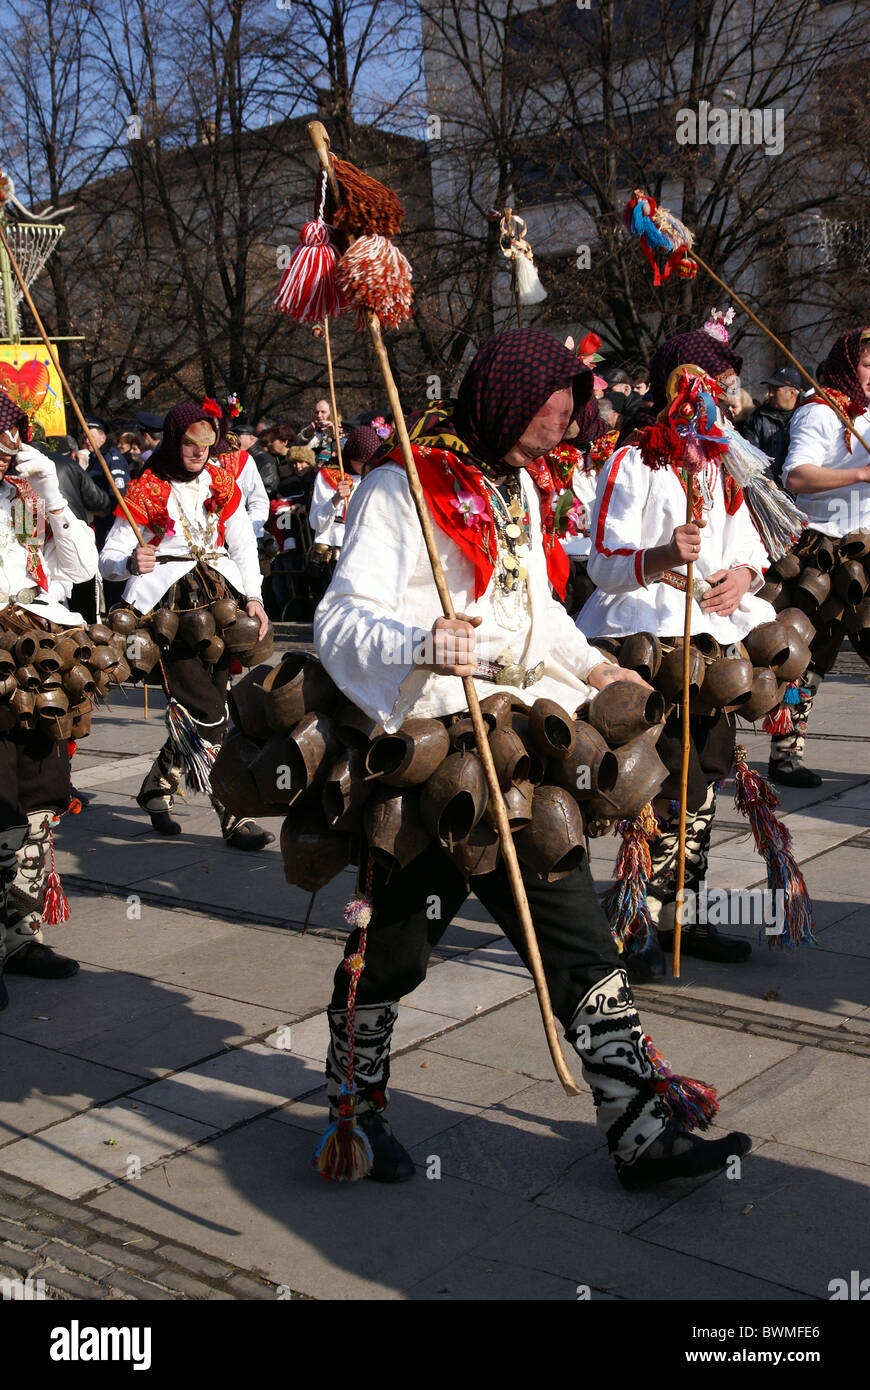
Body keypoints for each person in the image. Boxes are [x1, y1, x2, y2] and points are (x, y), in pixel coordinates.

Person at [313, 327, 750, 1190]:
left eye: (563, 419)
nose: (556, 435)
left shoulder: (516, 486)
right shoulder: (401, 484)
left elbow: (538, 608)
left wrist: (593, 665)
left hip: (513, 754)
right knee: (395, 953)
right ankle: (353, 1118)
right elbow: (338, 621)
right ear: (503, 400)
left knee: (578, 939)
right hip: (427, 754)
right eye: (545, 418)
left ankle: (641, 1132)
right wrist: (421, 640)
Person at [579, 324, 778, 976]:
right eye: (704, 384)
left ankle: (682, 916)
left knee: (703, 780)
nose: (717, 396)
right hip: (649, 640)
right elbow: (605, 564)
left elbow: (751, 544)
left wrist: (745, 575)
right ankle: (633, 921)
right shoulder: (633, 459)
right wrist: (666, 555)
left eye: (720, 386)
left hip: (712, 644)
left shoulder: (724, 460)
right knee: (655, 782)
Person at [99, 403, 274, 851]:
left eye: (207, 443)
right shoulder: (146, 489)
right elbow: (108, 559)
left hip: (220, 603)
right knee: (211, 714)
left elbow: (242, 545)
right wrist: (128, 561)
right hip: (167, 613)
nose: (200, 452)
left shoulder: (221, 482)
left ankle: (156, 788)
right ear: (175, 441)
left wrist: (253, 596)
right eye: (190, 443)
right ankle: (233, 816)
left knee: (214, 709)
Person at [0, 388, 100, 1009]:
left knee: (40, 797)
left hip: (41, 662)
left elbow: (81, 567)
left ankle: (19, 934)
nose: (7, 450)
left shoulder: (31, 496)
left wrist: (53, 493)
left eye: (11, 438)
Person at [766, 327, 870, 788]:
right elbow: (797, 476)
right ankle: (786, 755)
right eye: (868, 366)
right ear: (850, 365)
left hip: (868, 548)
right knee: (807, 657)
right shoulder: (820, 411)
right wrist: (864, 471)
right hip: (823, 550)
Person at [307, 426, 382, 602]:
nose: (366, 467)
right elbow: (316, 522)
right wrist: (335, 499)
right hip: (334, 545)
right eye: (362, 462)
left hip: (365, 546)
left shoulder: (376, 475)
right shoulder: (330, 475)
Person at [740, 366, 802, 484]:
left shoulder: (806, 416)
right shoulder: (757, 417)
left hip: (800, 490)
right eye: (769, 389)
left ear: (792, 393)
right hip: (769, 488)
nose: (770, 394)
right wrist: (769, 481)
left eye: (775, 390)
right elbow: (752, 452)